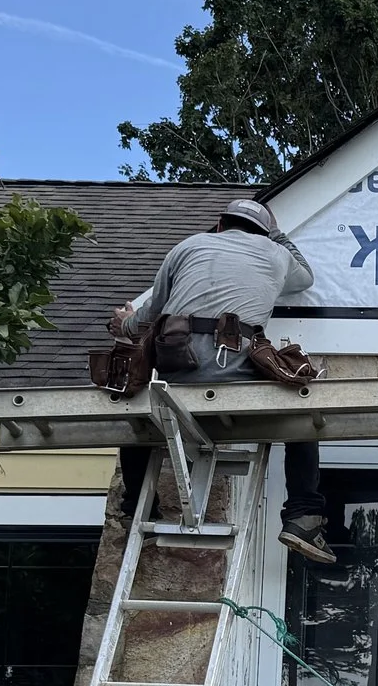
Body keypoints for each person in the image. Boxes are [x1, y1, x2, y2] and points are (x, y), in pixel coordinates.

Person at [109, 201, 335, 565]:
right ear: (265, 233)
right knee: (303, 417)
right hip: (236, 372)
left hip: (176, 370)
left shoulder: (187, 246)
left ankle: (139, 509)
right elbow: (305, 276)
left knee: (139, 421)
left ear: (219, 224)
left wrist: (124, 324)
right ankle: (303, 516)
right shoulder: (276, 253)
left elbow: (151, 314)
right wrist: (277, 234)